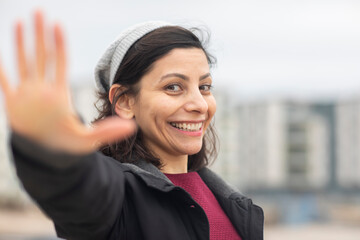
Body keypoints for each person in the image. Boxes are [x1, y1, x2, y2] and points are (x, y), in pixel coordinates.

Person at [0, 11, 264, 240]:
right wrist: (48, 149)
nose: (200, 104)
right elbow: (76, 187)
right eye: (173, 87)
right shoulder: (118, 199)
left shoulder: (238, 208)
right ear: (125, 102)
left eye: (204, 87)